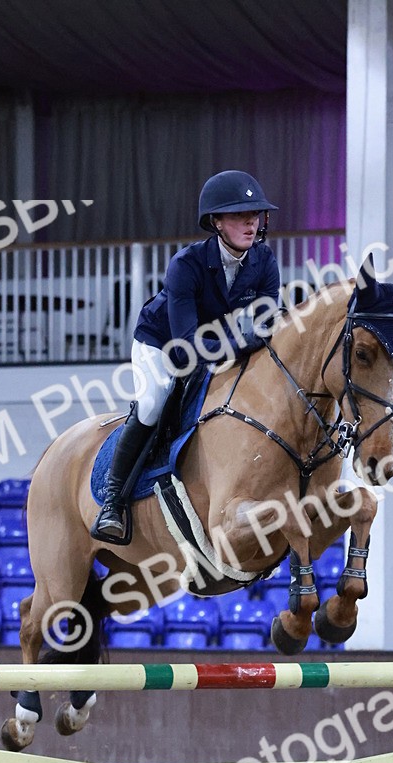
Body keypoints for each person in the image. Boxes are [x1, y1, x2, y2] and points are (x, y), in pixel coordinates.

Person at [91, 170, 280, 542]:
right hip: (162, 343)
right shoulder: (186, 264)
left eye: (255, 214)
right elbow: (187, 344)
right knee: (153, 402)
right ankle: (113, 500)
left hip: (220, 343)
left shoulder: (264, 261)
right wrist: (242, 344)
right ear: (216, 222)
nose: (251, 221)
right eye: (241, 214)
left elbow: (266, 324)